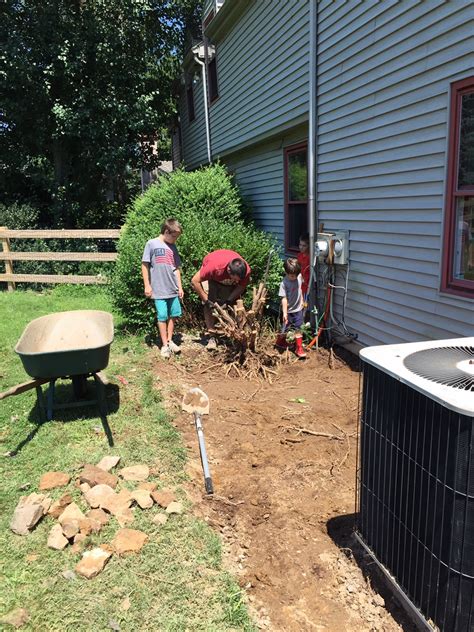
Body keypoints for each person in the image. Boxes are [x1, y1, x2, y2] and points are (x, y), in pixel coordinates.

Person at [191, 249, 251, 350]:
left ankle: (230, 335)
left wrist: (228, 301)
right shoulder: (214, 268)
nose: (237, 281)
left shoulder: (245, 271)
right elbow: (194, 281)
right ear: (228, 271)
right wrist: (206, 300)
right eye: (235, 279)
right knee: (209, 305)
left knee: (231, 304)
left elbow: (241, 286)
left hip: (224, 277)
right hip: (213, 276)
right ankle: (212, 336)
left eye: (238, 279)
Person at [141, 218, 184, 359]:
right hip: (159, 290)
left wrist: (180, 287)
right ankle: (164, 345)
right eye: (174, 236)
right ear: (166, 231)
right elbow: (145, 265)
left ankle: (170, 340)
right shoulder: (151, 244)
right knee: (162, 316)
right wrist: (147, 285)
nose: (176, 240)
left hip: (172, 288)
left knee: (174, 315)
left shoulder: (173, 247)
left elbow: (176, 268)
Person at [276, 257, 306, 359]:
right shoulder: (284, 283)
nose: (294, 277)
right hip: (288, 311)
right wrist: (285, 313)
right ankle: (280, 342)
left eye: (296, 275)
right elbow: (284, 299)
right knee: (285, 329)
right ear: (286, 272)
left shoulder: (298, 276)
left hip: (298, 309)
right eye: (292, 275)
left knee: (298, 328)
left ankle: (299, 348)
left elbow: (300, 289)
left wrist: (302, 300)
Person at [297, 233, 310, 303]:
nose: (301, 247)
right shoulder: (299, 256)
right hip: (299, 284)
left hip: (307, 286)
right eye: (300, 245)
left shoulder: (310, 258)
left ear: (309, 246)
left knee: (306, 304)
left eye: (304, 245)